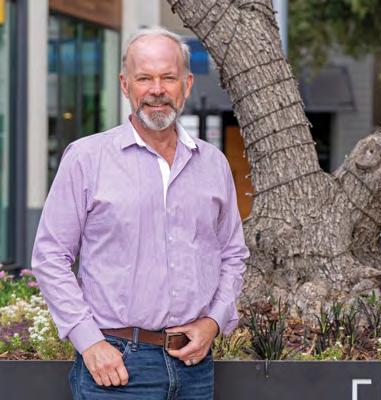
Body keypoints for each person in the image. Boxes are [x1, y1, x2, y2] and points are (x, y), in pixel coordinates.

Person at [32, 26, 249, 399]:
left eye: (168, 77)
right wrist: (89, 342)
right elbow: (50, 256)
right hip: (115, 367)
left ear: (187, 84)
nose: (157, 90)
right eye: (144, 78)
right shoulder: (86, 159)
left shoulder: (212, 163)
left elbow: (232, 254)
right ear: (125, 84)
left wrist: (214, 322)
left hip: (195, 367)